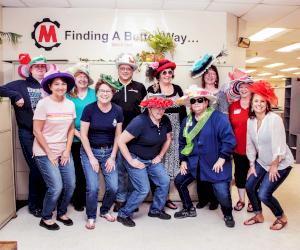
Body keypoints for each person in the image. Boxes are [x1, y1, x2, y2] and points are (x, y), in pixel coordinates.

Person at [0, 54, 55, 217]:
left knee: (46, 168)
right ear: (30, 69)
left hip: (47, 134)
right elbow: (0, 89)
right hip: (28, 134)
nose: (40, 68)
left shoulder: (49, 85)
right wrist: (15, 96)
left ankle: (48, 202)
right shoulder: (20, 85)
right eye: (36, 66)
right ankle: (34, 204)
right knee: (37, 168)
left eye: (42, 66)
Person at [174, 86, 236, 228]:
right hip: (195, 163)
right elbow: (182, 142)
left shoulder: (218, 118)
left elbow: (229, 140)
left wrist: (222, 158)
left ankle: (228, 214)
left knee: (222, 194)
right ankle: (189, 208)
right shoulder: (187, 121)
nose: (196, 103)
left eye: (200, 100)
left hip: (215, 163)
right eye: (193, 101)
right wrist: (183, 160)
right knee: (179, 181)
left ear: (206, 102)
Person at [243, 80, 294, 231]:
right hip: (262, 161)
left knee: (264, 194)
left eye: (262, 101)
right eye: (256, 101)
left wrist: (274, 166)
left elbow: (279, 145)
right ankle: (258, 215)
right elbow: (250, 144)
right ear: (252, 103)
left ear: (267, 103)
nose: (259, 104)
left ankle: (281, 217)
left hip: (280, 163)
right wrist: (252, 165)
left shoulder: (274, 120)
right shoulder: (250, 121)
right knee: (249, 186)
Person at [117, 94, 173, 227]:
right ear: (149, 108)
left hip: (152, 158)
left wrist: (160, 156)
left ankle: (155, 210)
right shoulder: (140, 121)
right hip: (135, 157)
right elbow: (120, 140)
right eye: (156, 107)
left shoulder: (165, 120)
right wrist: (131, 160)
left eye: (162, 107)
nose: (160, 110)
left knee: (164, 181)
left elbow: (168, 138)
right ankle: (123, 214)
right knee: (143, 189)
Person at [33, 70, 76, 230]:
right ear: (50, 86)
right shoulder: (43, 103)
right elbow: (36, 131)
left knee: (70, 184)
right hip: (44, 151)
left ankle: (62, 212)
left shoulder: (70, 104)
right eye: (56, 84)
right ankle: (46, 217)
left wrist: (66, 150)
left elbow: (71, 129)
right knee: (56, 186)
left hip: (63, 149)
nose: (60, 86)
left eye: (63, 84)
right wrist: (50, 153)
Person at [80, 74, 123, 230]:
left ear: (112, 93)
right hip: (89, 151)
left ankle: (104, 211)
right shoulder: (89, 109)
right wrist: (91, 157)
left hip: (109, 153)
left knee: (113, 187)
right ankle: (91, 216)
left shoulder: (117, 110)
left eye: (108, 91)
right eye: (102, 91)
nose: (105, 94)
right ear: (96, 93)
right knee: (92, 187)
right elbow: (83, 135)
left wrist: (112, 157)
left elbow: (118, 135)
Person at [146, 59, 187, 210]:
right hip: (159, 130)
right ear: (158, 75)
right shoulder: (152, 89)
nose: (167, 75)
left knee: (170, 165)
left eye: (170, 72)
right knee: (158, 164)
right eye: (164, 72)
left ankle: (166, 197)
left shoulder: (178, 89)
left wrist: (184, 131)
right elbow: (147, 111)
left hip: (175, 132)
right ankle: (159, 199)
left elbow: (183, 112)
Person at [191, 56, 229, 210]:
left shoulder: (221, 94)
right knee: (200, 168)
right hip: (199, 136)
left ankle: (214, 200)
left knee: (214, 167)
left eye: (213, 73)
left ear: (216, 77)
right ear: (203, 76)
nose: (210, 75)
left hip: (215, 137)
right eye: (207, 73)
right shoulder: (198, 92)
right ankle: (203, 198)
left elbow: (225, 116)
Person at [112, 53, 147, 212]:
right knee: (120, 170)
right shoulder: (111, 86)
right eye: (122, 68)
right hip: (117, 135)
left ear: (133, 71)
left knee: (134, 169)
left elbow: (145, 111)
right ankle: (120, 199)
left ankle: (133, 199)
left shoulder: (140, 87)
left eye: (129, 68)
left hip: (136, 136)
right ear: (118, 69)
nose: (125, 71)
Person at [66, 63, 96, 211]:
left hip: (92, 139)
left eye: (85, 77)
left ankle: (88, 198)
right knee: (77, 170)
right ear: (74, 78)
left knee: (88, 170)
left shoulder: (94, 93)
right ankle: (77, 200)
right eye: (79, 76)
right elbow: (66, 117)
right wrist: (79, 134)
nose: (82, 79)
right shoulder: (68, 94)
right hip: (75, 138)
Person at [228, 69, 254, 212]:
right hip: (238, 149)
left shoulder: (256, 104)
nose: (244, 89)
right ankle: (241, 200)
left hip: (255, 149)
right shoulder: (233, 106)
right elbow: (230, 128)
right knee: (239, 176)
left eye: (246, 86)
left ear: (251, 88)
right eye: (241, 86)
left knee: (253, 176)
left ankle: (252, 201)